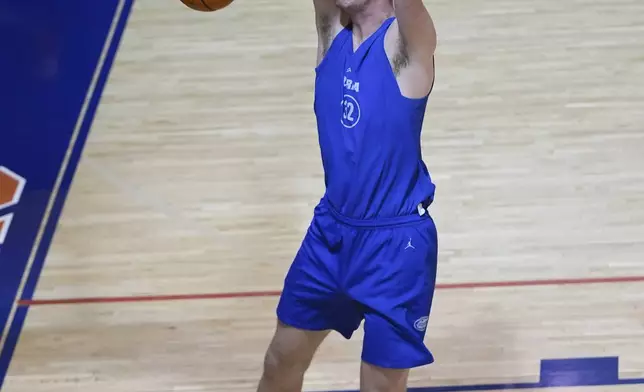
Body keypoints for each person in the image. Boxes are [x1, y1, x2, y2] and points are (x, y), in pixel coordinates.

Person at [257, 0, 438, 391]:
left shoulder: (405, 45)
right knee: (280, 359)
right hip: (330, 233)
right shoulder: (332, 34)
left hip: (396, 247)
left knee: (379, 387)